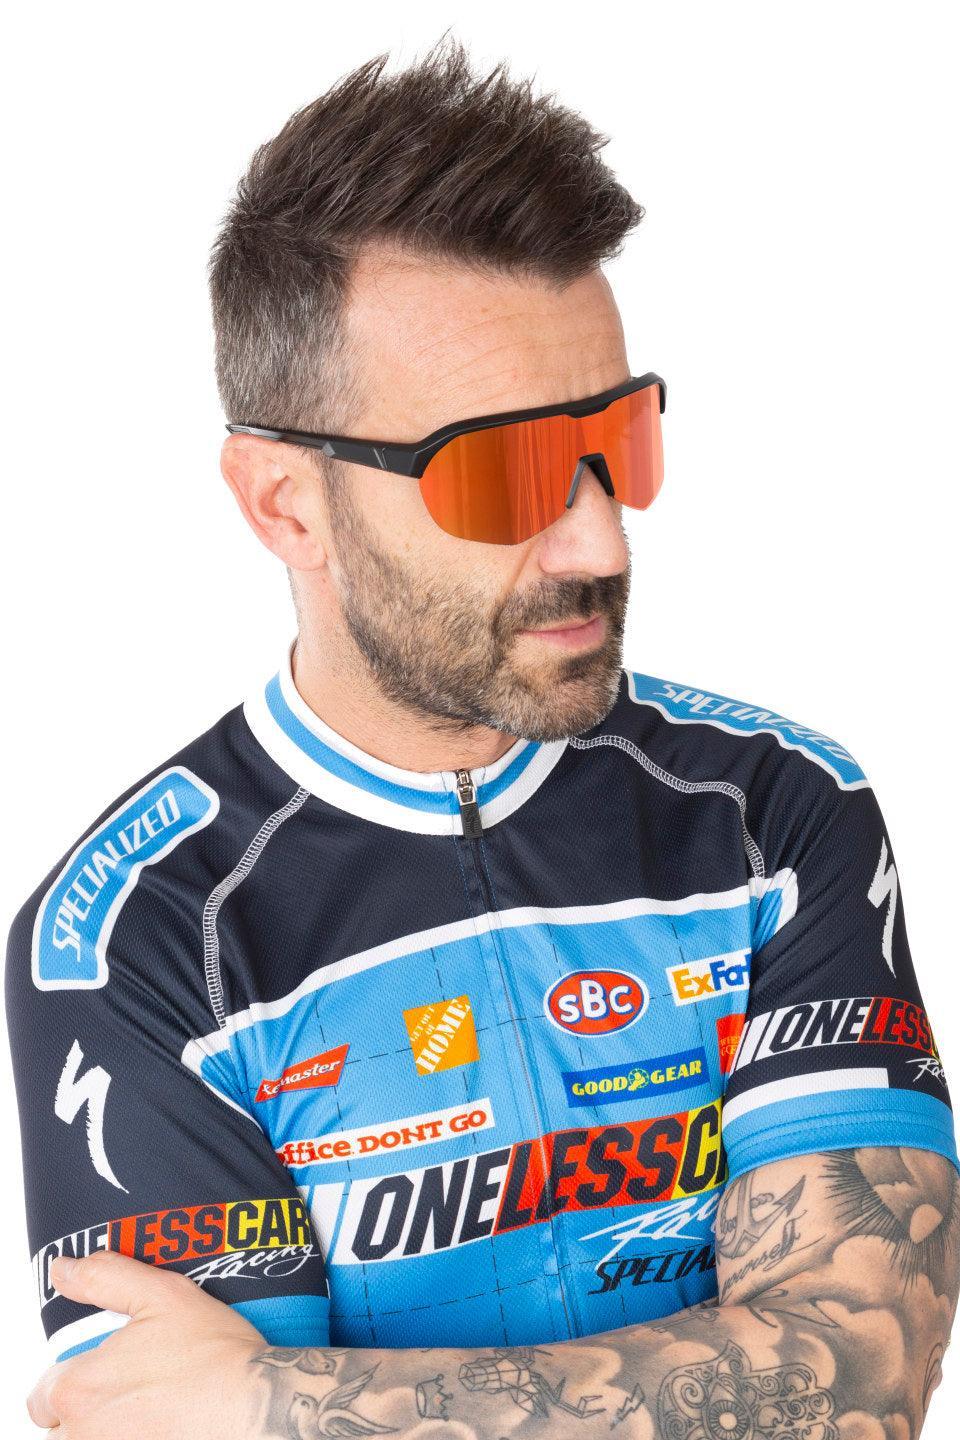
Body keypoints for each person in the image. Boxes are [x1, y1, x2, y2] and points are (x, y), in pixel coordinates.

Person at [6, 34, 959, 1440]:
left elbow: (864, 1378)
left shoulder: (775, 810)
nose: (599, 540)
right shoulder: (133, 937)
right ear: (285, 504)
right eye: (502, 474)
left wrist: (281, 1399)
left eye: (618, 444)